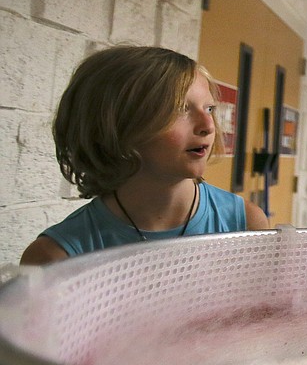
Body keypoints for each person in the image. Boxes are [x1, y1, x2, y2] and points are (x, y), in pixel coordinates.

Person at [20, 46, 269, 265]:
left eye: (209, 108)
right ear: (118, 125)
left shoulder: (246, 223)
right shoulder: (54, 258)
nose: (208, 125)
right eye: (179, 108)